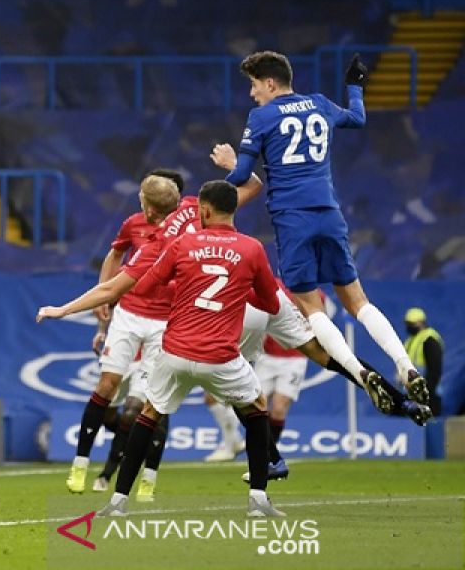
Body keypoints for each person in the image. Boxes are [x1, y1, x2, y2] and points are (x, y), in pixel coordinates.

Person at [39, 180, 287, 518]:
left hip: (175, 352)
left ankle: (117, 503)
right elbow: (271, 305)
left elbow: (144, 286)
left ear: (203, 210)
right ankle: (258, 500)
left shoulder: (180, 244)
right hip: (221, 356)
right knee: (256, 407)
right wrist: (238, 290)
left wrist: (62, 309)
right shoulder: (253, 249)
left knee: (149, 413)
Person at [216, 50, 429, 409]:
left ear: (270, 82)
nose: (252, 94)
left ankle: (359, 372)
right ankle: (405, 366)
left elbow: (240, 177)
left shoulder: (262, 115)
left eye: (254, 85)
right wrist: (355, 87)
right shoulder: (319, 103)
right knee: (359, 301)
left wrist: (229, 162)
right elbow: (358, 119)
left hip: (292, 219)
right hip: (329, 212)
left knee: (310, 308)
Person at [54, 174, 185, 496]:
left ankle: (147, 477)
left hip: (163, 323)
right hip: (129, 313)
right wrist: (104, 307)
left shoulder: (187, 228)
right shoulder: (133, 224)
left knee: (149, 403)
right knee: (106, 385)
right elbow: (115, 257)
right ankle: (80, 464)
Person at [403, 308, 443, 417]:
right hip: (411, 393)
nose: (408, 327)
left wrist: (426, 392)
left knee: (428, 426)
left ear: (420, 322)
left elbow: (435, 369)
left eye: (411, 324)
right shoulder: (410, 341)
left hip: (428, 393)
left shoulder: (429, 339)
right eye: (407, 324)